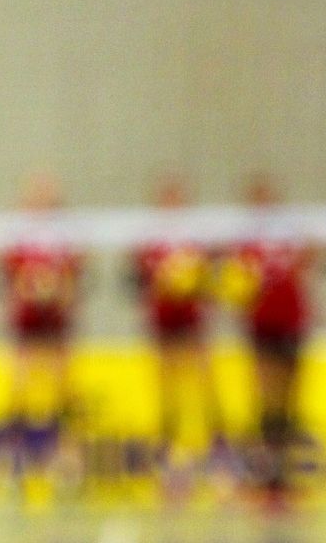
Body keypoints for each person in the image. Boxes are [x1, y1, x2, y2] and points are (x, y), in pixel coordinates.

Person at [227, 172, 321, 505]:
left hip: (292, 322)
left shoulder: (291, 234)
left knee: (289, 400)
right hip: (261, 325)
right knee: (266, 399)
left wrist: (310, 250)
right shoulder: (244, 240)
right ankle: (264, 476)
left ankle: (284, 476)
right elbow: (233, 282)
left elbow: (316, 257)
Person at [0, 173, 84, 480]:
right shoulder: (17, 233)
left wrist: (57, 291)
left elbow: (75, 278)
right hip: (26, 322)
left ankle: (67, 459)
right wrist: (29, 289)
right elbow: (5, 278)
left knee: (63, 391)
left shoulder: (65, 234)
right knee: (19, 388)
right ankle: (13, 457)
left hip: (56, 323)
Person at [129, 172, 221, 466]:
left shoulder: (198, 236)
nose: (172, 203)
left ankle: (215, 442)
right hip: (162, 318)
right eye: (167, 198)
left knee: (203, 378)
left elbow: (214, 275)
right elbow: (137, 279)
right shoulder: (149, 238)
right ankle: (167, 443)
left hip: (192, 318)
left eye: (177, 198)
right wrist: (162, 284)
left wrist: (194, 284)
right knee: (166, 382)